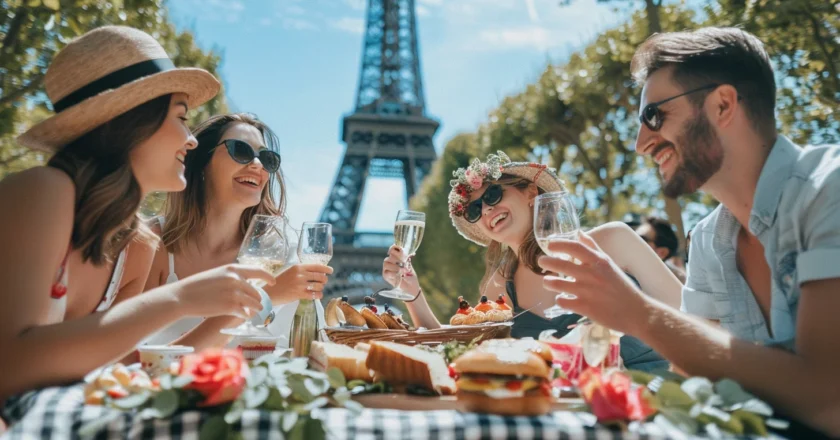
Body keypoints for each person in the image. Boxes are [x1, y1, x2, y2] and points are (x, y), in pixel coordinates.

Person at [539, 27, 840, 436]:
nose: (641, 142)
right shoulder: (708, 241)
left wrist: (637, 313)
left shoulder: (829, 190)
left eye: (654, 116)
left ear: (722, 104)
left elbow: (828, 399)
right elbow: (700, 386)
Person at [0, 27, 273, 406]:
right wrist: (179, 298)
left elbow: (110, 374)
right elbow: (8, 367)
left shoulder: (138, 246)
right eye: (180, 118)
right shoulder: (44, 190)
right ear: (132, 121)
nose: (191, 139)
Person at [382, 152, 682, 371]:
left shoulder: (614, 241)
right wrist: (413, 294)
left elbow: (695, 316)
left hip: (656, 399)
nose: (486, 210)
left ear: (531, 192)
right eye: (474, 210)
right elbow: (461, 355)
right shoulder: (500, 284)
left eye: (493, 195)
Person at [136, 113, 333, 350]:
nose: (257, 164)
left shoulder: (282, 254)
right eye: (241, 150)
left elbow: (305, 354)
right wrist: (265, 298)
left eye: (267, 158)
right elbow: (128, 361)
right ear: (202, 162)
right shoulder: (151, 242)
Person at [635, 216, 686, 282]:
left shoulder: (677, 285)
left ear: (662, 253)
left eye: (641, 239)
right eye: (633, 235)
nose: (632, 241)